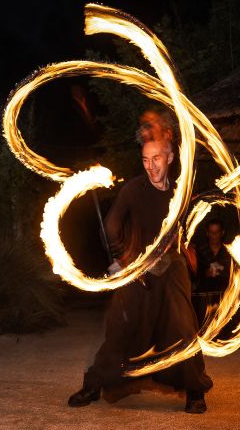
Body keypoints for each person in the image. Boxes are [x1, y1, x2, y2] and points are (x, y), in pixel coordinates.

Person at [67, 138, 213, 413]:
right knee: (121, 328)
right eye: (145, 159)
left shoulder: (180, 192)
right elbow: (110, 227)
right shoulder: (133, 189)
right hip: (138, 265)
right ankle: (94, 384)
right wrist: (125, 259)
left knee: (182, 324)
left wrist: (186, 248)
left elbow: (182, 226)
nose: (150, 166)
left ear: (170, 158)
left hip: (171, 265)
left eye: (156, 158)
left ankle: (195, 390)